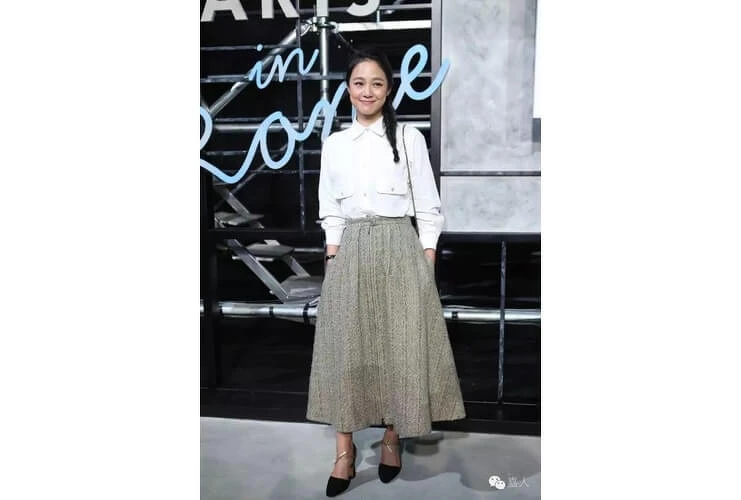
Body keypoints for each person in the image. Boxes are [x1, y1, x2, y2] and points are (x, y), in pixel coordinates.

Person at [306, 47, 466, 497]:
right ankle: (344, 452)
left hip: (400, 247)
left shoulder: (409, 138)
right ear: (347, 89)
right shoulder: (335, 145)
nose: (367, 91)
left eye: (376, 83)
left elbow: (428, 208)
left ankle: (393, 438)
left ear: (389, 89)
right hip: (351, 250)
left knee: (399, 348)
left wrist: (426, 263)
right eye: (359, 83)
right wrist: (333, 262)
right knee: (344, 352)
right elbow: (330, 210)